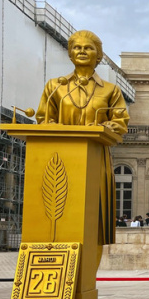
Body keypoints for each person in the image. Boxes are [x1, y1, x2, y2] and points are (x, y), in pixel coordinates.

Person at [35, 30, 129, 248]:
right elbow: (43, 119)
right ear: (70, 54)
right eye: (77, 47)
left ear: (98, 55)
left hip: (95, 158)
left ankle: (86, 277)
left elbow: (120, 121)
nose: (82, 51)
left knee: (93, 221)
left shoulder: (111, 90)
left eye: (88, 48)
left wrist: (102, 127)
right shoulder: (54, 87)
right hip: (58, 160)